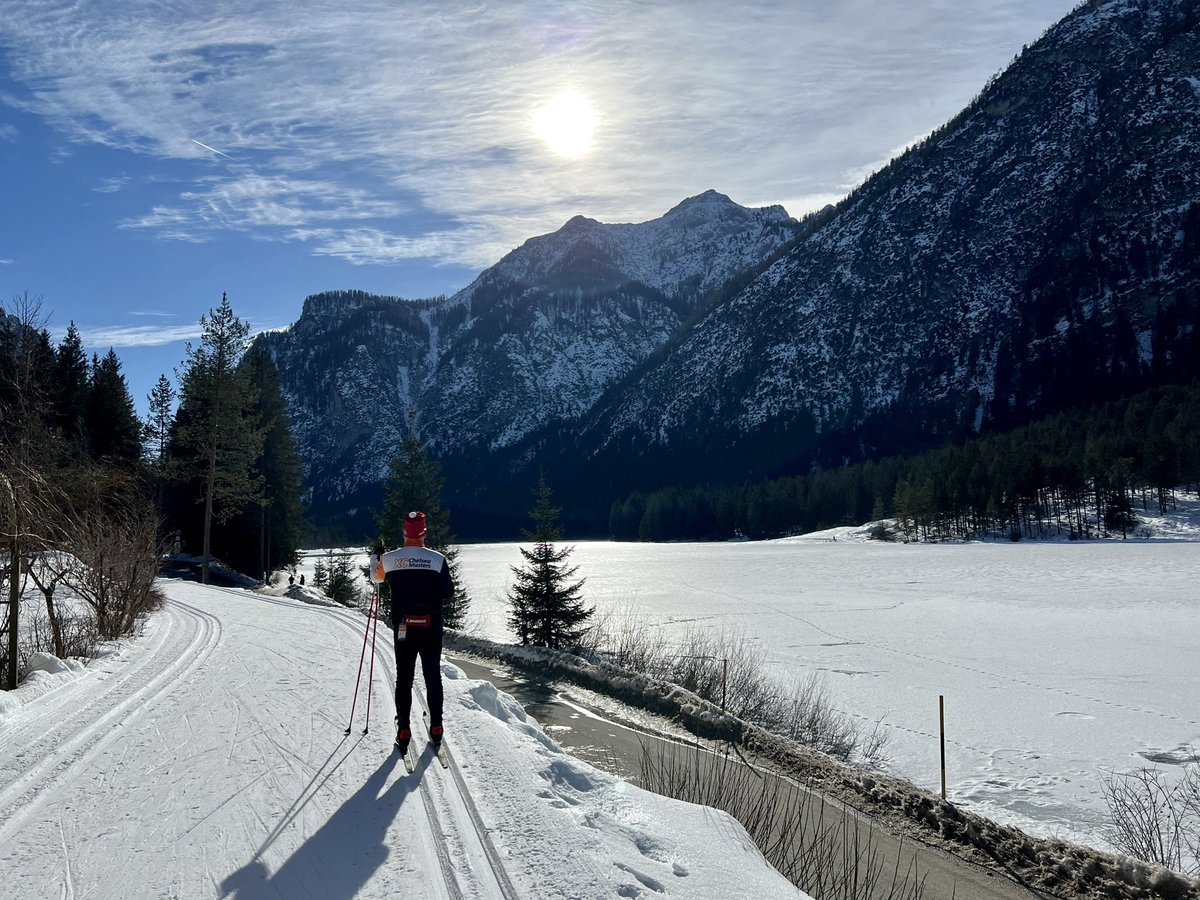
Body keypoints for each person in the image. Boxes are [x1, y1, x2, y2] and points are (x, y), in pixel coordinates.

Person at [371, 511, 454, 754]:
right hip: (431, 626)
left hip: (404, 627)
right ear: (424, 532)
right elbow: (448, 592)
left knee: (404, 679)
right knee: (432, 677)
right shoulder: (437, 560)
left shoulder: (390, 559)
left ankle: (404, 729)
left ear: (404, 532)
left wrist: (375, 558)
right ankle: (436, 727)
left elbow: (376, 579)